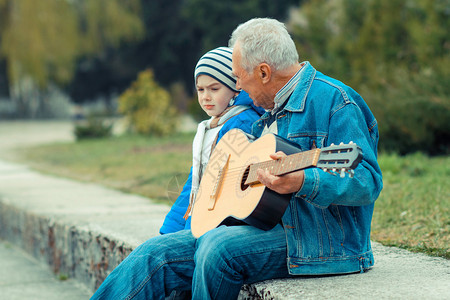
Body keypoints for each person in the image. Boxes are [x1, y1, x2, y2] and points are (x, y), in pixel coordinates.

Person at [91, 18, 383, 300]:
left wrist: (303, 180)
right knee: (155, 253)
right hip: (265, 226)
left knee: (218, 247)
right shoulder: (266, 114)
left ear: (264, 73)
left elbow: (368, 181)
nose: (239, 88)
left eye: (240, 78)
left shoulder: (336, 101)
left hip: (322, 240)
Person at [159, 46, 263, 234]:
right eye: (200, 89)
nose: (206, 96)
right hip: (202, 220)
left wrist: (191, 232)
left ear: (235, 89)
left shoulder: (242, 123)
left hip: (220, 225)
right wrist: (170, 230)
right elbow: (195, 184)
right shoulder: (210, 126)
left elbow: (220, 186)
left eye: (214, 89)